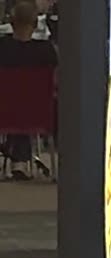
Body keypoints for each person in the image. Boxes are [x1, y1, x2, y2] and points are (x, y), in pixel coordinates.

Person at [0, 1, 57, 180]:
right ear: (35, 24)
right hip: (41, 114)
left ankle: (18, 160)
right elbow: (56, 80)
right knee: (29, 104)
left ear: (11, 23)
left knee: (15, 102)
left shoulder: (2, 48)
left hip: (4, 112)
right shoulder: (47, 51)